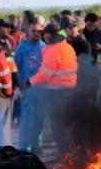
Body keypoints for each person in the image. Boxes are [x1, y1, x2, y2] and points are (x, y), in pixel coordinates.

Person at [29, 24, 78, 155]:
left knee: (58, 126)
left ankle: (65, 155)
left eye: (44, 33)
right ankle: (70, 154)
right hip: (70, 91)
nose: (43, 36)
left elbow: (45, 74)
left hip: (57, 93)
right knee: (67, 125)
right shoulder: (68, 47)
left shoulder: (53, 50)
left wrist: (30, 82)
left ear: (50, 34)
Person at [15, 20, 46, 153]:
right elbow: (15, 66)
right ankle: (24, 146)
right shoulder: (22, 47)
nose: (36, 33)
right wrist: (19, 83)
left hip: (42, 88)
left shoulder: (44, 47)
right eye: (33, 31)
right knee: (27, 118)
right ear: (28, 32)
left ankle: (36, 145)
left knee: (40, 118)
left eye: (39, 31)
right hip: (27, 88)